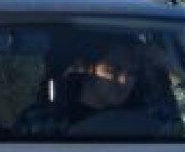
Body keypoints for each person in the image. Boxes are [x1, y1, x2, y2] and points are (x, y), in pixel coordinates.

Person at [17, 39, 164, 138]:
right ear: (87, 69)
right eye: (113, 70)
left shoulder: (149, 119)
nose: (124, 80)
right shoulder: (43, 121)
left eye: (132, 72)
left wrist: (169, 65)